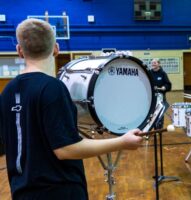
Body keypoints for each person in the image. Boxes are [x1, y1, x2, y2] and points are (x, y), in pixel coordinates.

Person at [0, 18, 143, 200]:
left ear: (19, 51)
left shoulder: (7, 91)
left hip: (21, 191)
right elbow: (66, 149)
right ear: (56, 49)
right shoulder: (53, 88)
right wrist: (122, 142)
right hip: (59, 191)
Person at [150, 58, 172, 129]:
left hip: (161, 97)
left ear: (159, 64)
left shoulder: (163, 73)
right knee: (152, 113)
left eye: (155, 62)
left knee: (160, 114)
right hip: (152, 97)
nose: (153, 64)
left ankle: (159, 129)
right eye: (152, 62)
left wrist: (164, 87)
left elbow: (168, 84)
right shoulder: (149, 73)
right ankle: (152, 127)